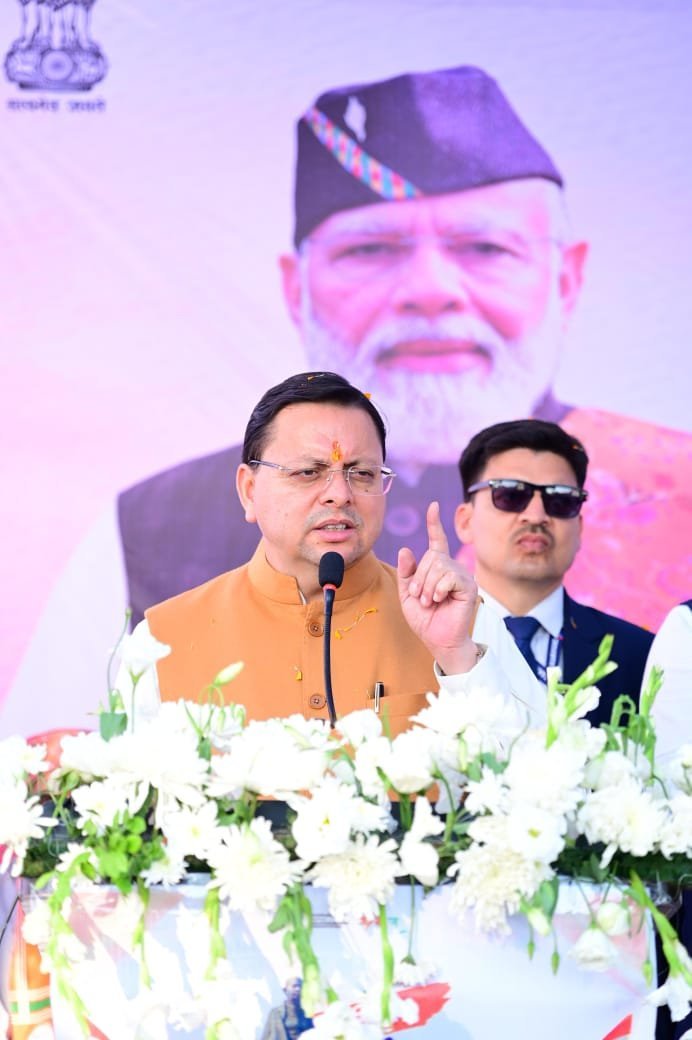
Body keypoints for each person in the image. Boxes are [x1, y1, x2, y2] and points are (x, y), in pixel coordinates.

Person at [117, 63, 690, 634]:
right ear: (297, 290)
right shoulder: (157, 522)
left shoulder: (679, 488)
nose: (430, 291)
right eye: (370, 250)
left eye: (486, 248)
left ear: (566, 280)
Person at [128, 371, 544, 734]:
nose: (340, 495)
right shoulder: (163, 640)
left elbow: (538, 776)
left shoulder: (462, 622)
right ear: (249, 490)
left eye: (361, 473)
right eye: (309, 472)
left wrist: (456, 657)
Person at [454, 418, 654, 727]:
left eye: (560, 500)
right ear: (465, 521)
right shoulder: (414, 642)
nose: (536, 516)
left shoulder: (641, 655)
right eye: (511, 495)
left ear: (580, 527)